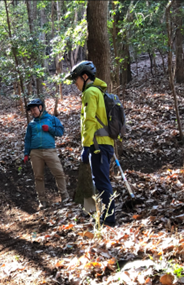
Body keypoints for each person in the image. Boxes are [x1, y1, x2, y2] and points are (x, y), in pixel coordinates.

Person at [67, 60, 116, 226]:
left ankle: (109, 219)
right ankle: (106, 216)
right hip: (104, 143)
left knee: (101, 182)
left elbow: (89, 121)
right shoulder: (99, 92)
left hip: (97, 145)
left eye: (76, 79)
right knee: (101, 180)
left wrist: (86, 146)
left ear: (85, 76)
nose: (75, 83)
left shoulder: (90, 93)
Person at [23, 98, 69, 209]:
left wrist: (50, 128)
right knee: (38, 176)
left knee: (59, 172)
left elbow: (60, 132)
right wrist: (26, 153)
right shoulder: (31, 124)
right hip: (35, 152)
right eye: (31, 110)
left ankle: (65, 196)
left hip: (50, 150)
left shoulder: (52, 119)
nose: (33, 112)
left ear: (40, 107)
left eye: (34, 109)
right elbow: (27, 139)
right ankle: (42, 201)